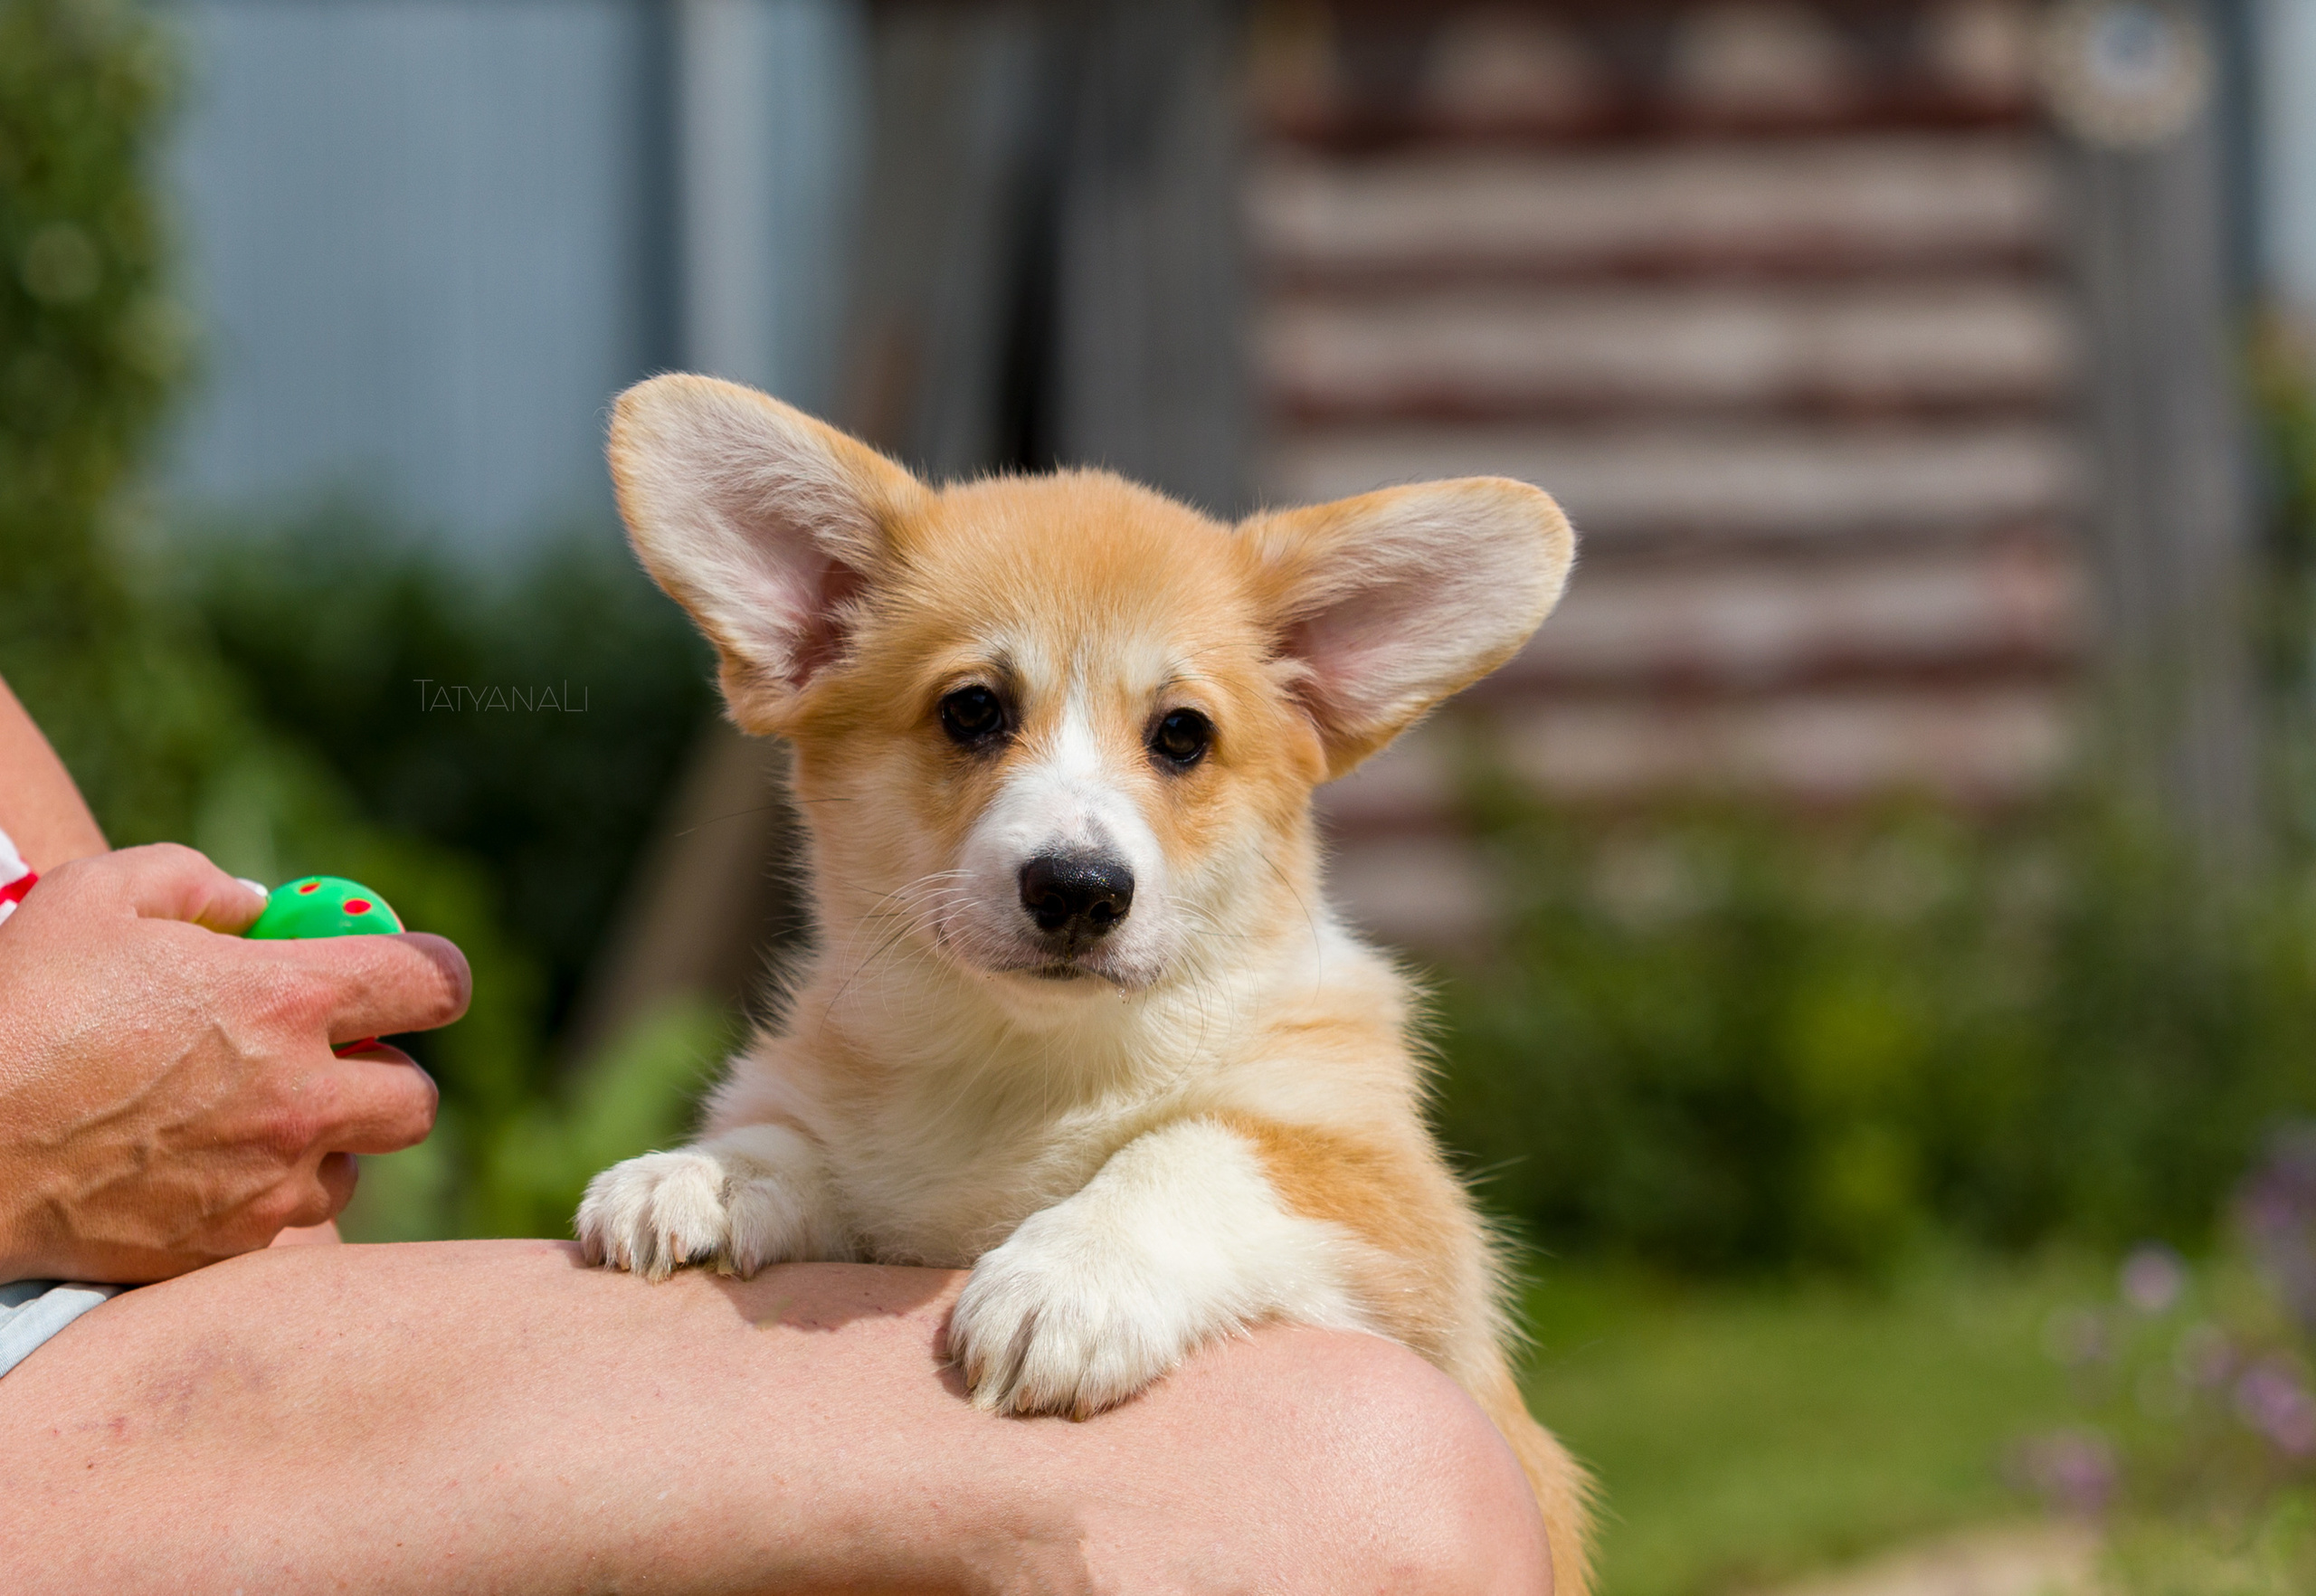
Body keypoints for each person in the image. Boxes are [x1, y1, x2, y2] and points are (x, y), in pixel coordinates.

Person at [0, 674, 1551, 1593]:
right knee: (1349, 1493)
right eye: (973, 715)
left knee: (1362, 1481)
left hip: (162, 1342)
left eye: (1180, 737)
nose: (1080, 834)